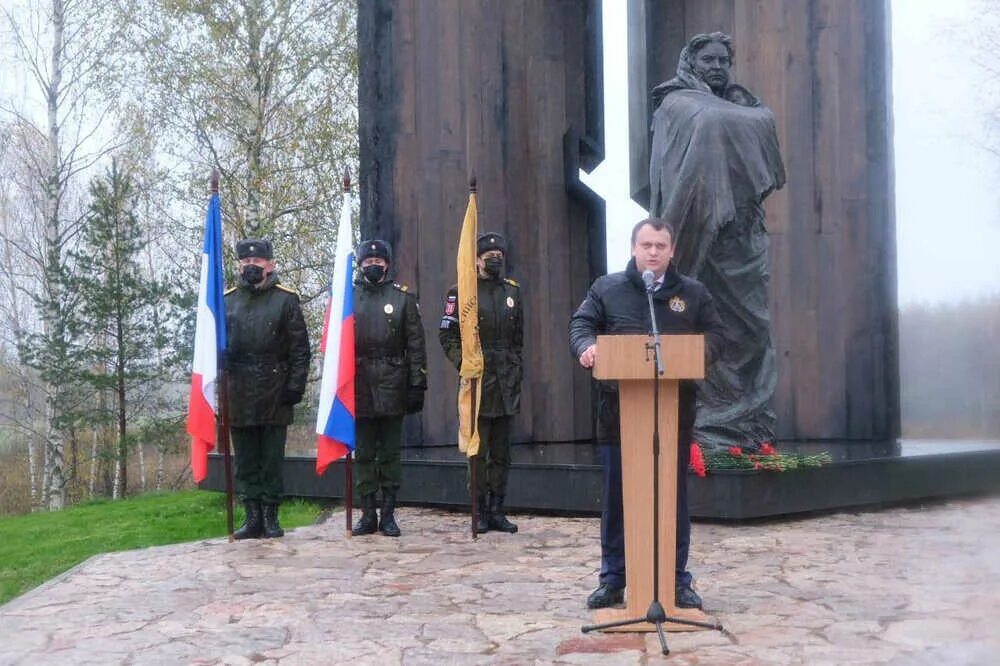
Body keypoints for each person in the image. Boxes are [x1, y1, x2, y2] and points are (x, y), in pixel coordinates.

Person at [568, 218, 726, 610]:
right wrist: (587, 347)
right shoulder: (607, 289)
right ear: (634, 248)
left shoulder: (692, 293)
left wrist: (693, 356)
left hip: (673, 418)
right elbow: (581, 325)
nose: (653, 252)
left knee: (672, 500)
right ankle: (613, 580)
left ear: (672, 251)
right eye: (646, 245)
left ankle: (675, 580)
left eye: (660, 245)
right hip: (618, 416)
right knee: (617, 500)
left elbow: (717, 336)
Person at [649, 32, 785, 453]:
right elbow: (677, 166)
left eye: (725, 60)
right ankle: (706, 423)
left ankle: (748, 423)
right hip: (701, 235)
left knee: (753, 328)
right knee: (705, 327)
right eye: (709, 59)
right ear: (691, 61)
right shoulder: (676, 104)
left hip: (743, 239)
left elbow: (761, 126)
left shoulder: (743, 104)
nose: (718, 66)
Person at [225, 238, 311, 539]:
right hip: (239, 390)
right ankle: (252, 518)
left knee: (271, 459)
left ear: (270, 265)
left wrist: (295, 388)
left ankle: (271, 516)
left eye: (257, 262)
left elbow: (300, 350)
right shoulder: (228, 300)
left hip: (275, 390)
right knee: (246, 460)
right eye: (246, 263)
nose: (251, 267)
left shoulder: (286, 300)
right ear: (239, 265)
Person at [439, 232, 523, 534]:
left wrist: (516, 371)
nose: (495, 259)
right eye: (490, 256)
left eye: (499, 254)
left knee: (502, 453)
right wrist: (464, 362)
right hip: (478, 381)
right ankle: (480, 509)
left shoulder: (512, 292)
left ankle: (498, 509)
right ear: (477, 260)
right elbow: (446, 335)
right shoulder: (462, 291)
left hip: (506, 382)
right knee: (479, 449)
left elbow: (517, 341)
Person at [351, 239, 428, 538]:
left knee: (390, 455)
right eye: (367, 263)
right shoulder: (349, 297)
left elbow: (416, 346)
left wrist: (417, 384)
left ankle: (388, 515)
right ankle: (367, 513)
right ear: (360, 266)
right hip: (358, 386)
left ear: (387, 264)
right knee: (365, 453)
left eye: (378, 262)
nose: (373, 267)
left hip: (393, 384)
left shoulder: (403, 299)